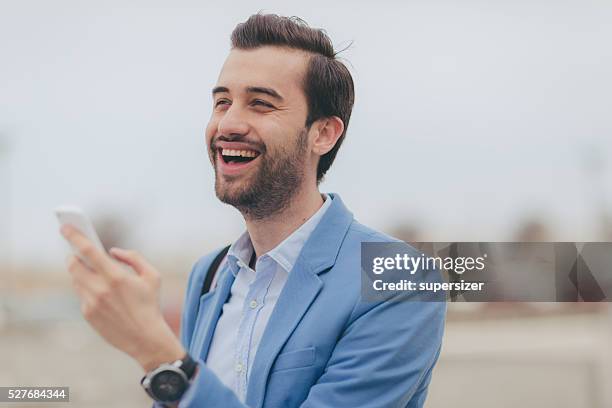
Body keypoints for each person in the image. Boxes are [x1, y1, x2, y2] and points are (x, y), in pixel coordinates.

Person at [61, 13, 446, 407]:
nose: (228, 123)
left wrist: (156, 352)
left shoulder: (401, 281)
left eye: (260, 104)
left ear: (323, 133)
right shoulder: (208, 276)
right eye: (222, 102)